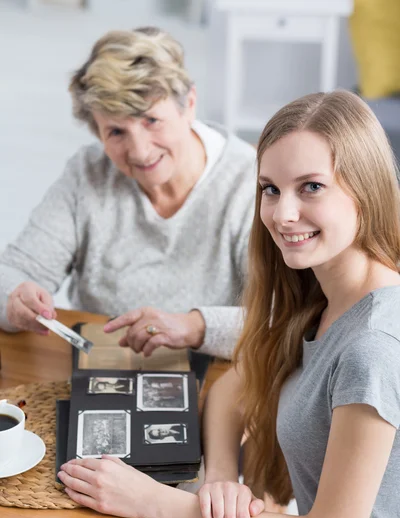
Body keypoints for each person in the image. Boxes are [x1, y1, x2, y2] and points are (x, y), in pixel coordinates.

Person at [57, 89, 400, 518]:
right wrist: (220, 482)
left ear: (366, 191)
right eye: (270, 188)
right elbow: (236, 386)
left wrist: (152, 499)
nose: (283, 214)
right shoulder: (322, 298)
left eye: (311, 187)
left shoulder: (373, 345)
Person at [0, 26, 255, 359]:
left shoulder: (250, 181)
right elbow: (13, 273)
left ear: (188, 105)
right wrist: (14, 297)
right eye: (117, 131)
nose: (140, 151)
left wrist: (195, 327)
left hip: (218, 375)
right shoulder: (86, 174)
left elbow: (282, 319)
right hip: (106, 366)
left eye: (151, 120)